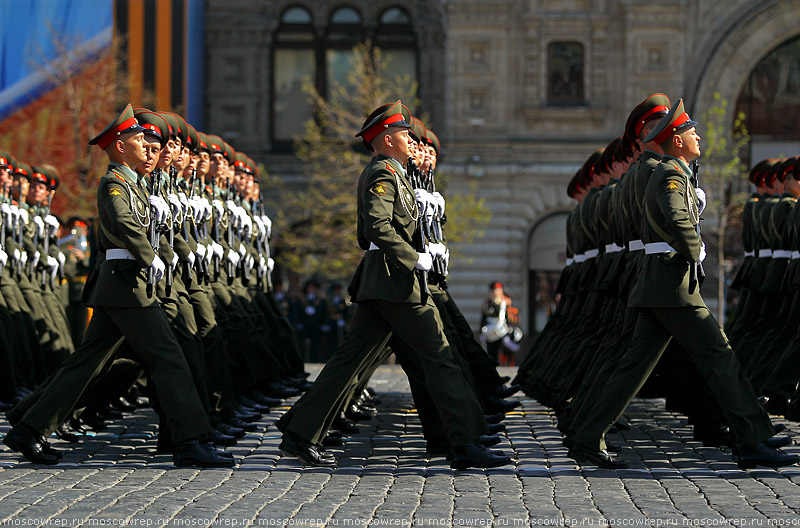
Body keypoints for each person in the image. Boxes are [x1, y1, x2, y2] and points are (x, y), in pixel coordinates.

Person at [276, 101, 510, 470]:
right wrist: (414, 257)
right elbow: (377, 226)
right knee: (441, 356)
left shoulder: (395, 174)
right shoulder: (382, 174)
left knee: (348, 363)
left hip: (387, 282)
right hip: (395, 281)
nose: (409, 138)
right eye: (403, 133)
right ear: (386, 139)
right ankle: (464, 442)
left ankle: (300, 433)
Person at [569, 99, 798, 470]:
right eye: (691, 131)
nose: (698, 135)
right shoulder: (671, 174)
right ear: (676, 140)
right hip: (673, 282)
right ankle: (753, 439)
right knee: (719, 356)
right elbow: (677, 216)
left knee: (633, 366)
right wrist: (695, 250)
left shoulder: (668, 169)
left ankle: (585, 436)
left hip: (659, 281)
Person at [2, 104, 233, 468]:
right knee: (169, 359)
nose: (146, 146)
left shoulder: (134, 184)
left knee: (85, 364)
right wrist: (149, 256)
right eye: (139, 140)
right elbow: (125, 223)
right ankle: (190, 441)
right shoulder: (115, 184)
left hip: (127, 287)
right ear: (121, 146)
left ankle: (29, 429)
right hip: (127, 287)